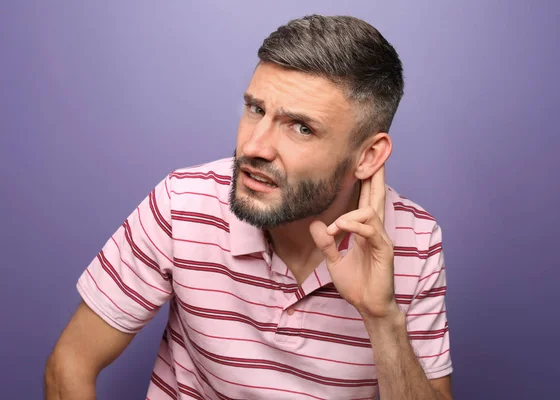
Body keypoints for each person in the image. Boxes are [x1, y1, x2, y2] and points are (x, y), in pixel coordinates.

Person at [45, 14, 453, 400]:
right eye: (255, 109)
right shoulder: (183, 202)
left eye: (301, 128)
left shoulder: (414, 242)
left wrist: (381, 318)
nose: (254, 147)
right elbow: (70, 364)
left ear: (367, 156)